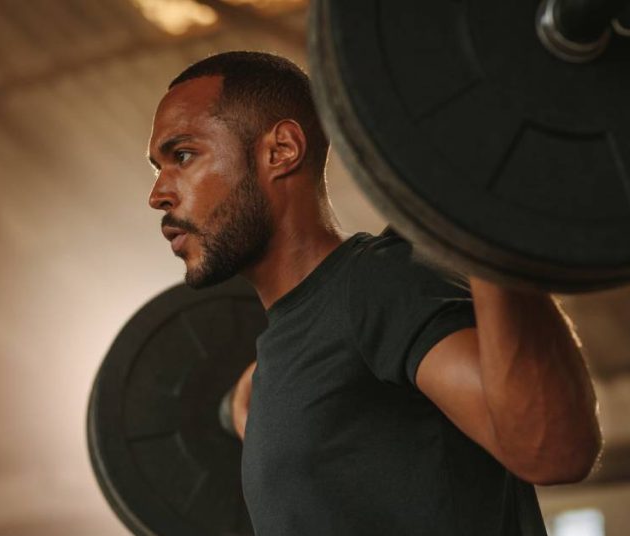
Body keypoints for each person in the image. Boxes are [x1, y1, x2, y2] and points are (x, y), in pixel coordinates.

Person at [147, 51, 601, 535]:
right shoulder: (288, 348)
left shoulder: (380, 284)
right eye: (157, 168)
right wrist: (255, 397)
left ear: (281, 150)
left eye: (183, 156)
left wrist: (482, 215)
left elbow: (553, 448)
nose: (158, 195)